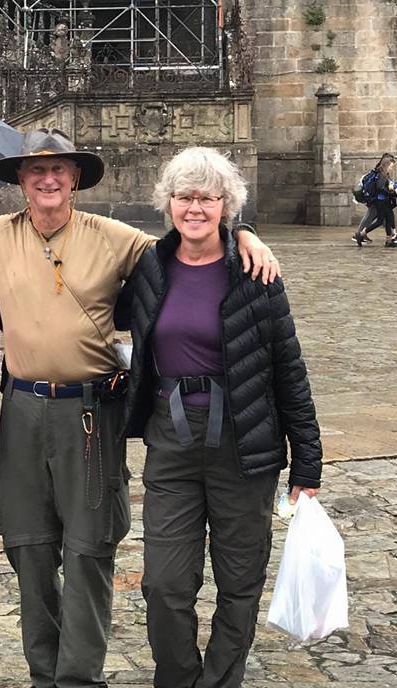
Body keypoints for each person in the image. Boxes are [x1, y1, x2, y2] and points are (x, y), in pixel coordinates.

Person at [0, 128, 280, 688]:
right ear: (20, 182)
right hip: (23, 411)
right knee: (28, 548)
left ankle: (78, 678)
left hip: (90, 414)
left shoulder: (115, 239)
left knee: (88, 550)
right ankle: (45, 671)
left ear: (76, 178)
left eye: (59, 169)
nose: (48, 179)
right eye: (36, 171)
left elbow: (189, 245)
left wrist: (244, 234)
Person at [117, 147, 322, 688]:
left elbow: (288, 370)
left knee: (239, 580)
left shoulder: (257, 273)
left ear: (226, 205)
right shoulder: (149, 267)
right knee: (164, 583)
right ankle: (179, 678)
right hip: (172, 442)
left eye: (209, 198)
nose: (196, 208)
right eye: (185, 196)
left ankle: (220, 681)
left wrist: (308, 466)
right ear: (168, 203)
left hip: (244, 443)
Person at [353, 154, 397, 248]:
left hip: (384, 200)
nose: (391, 169)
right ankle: (361, 234)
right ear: (386, 165)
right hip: (380, 201)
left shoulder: (383, 174)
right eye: (391, 166)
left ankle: (389, 240)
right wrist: (393, 191)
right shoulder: (382, 175)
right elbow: (381, 188)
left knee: (389, 219)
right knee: (380, 221)